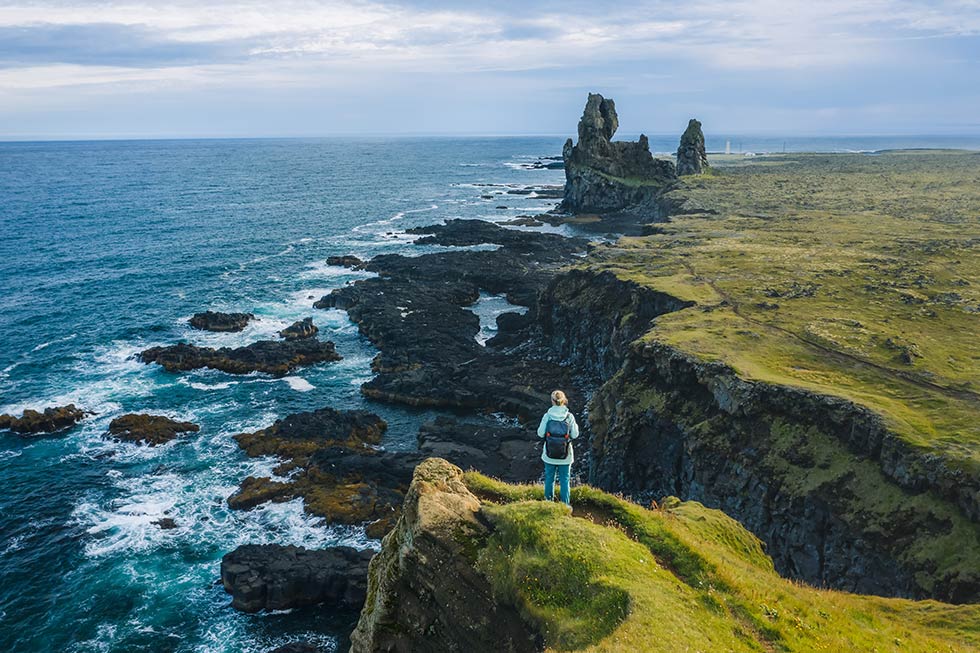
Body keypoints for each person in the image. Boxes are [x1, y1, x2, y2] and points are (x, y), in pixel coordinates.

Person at [536, 389, 580, 506]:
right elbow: (575, 435)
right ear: (564, 400)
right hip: (565, 455)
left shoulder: (547, 416)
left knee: (549, 479)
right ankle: (565, 506)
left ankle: (548, 504)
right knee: (565, 480)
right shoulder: (569, 417)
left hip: (549, 455)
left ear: (552, 401)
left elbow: (540, 433)